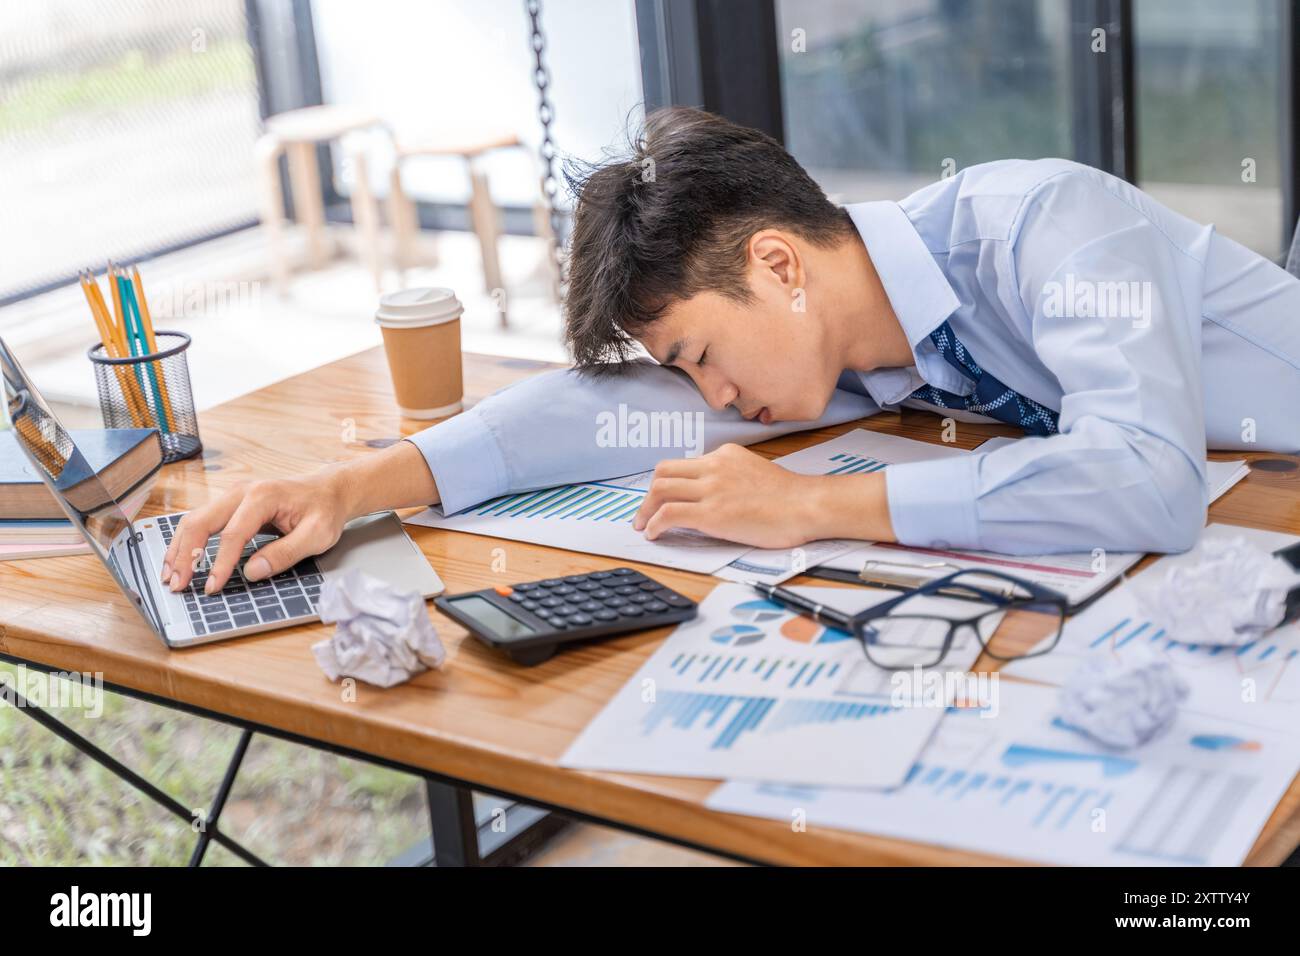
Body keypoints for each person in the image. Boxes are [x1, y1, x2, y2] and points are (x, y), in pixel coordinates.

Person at [161, 107, 1300, 597]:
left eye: (702, 352)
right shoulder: (846, 344)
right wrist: (350, 485)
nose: (708, 394)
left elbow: (1151, 482)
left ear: (779, 265)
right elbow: (594, 412)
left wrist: (814, 510)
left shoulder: (1044, 221)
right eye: (688, 368)